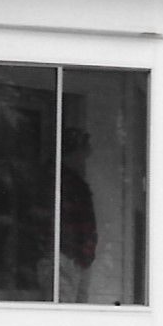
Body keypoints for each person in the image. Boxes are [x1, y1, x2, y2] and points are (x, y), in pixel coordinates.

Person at [58, 126, 97, 301]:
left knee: (79, 308)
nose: (85, 158)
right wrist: (70, 253)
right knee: (62, 308)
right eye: (83, 152)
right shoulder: (59, 180)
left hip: (79, 260)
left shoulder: (77, 182)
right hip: (65, 258)